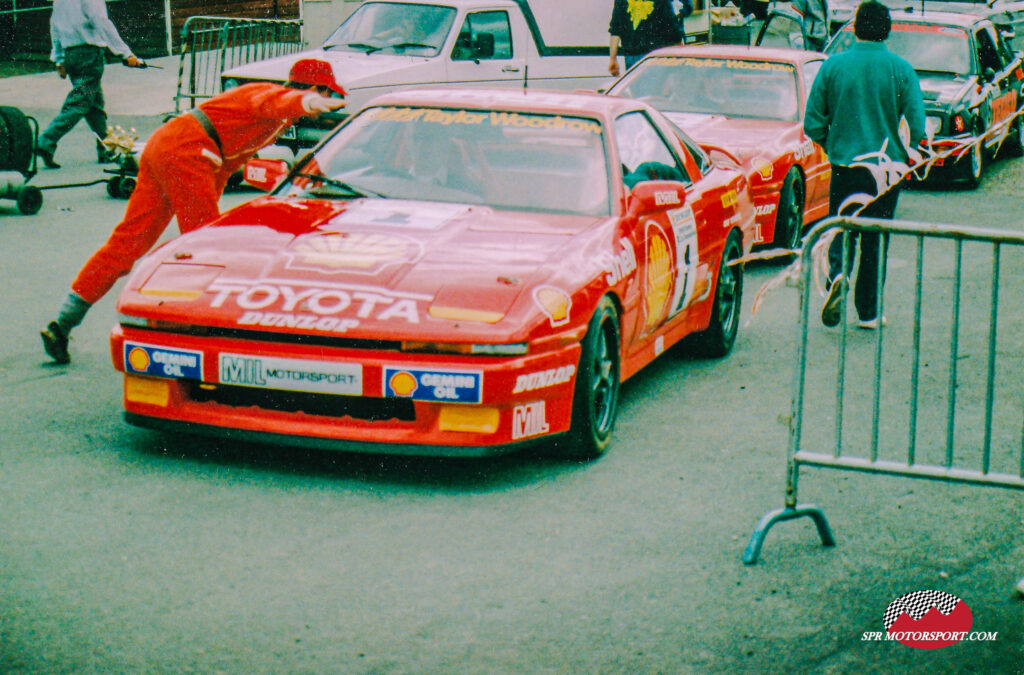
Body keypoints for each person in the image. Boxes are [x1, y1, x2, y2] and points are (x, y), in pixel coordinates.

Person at [40, 59, 346, 364]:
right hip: (189, 152)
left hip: (171, 146)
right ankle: (202, 339)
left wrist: (213, 202)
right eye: (327, 95)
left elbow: (228, 163)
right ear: (316, 88)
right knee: (206, 253)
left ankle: (62, 322)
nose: (329, 103)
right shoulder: (267, 96)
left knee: (129, 242)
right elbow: (277, 100)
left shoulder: (277, 119)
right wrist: (309, 101)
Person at [804, 0, 925, 330]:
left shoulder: (832, 66)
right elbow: (917, 128)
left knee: (842, 227)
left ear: (855, 27)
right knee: (876, 237)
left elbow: (812, 122)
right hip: (887, 171)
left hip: (846, 165)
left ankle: (838, 276)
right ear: (887, 30)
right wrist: (911, 153)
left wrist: (834, 145)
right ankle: (868, 312)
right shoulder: (901, 69)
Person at [37, 0, 147, 169]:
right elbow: (101, 22)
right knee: (80, 102)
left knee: (94, 104)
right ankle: (46, 141)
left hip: (71, 53)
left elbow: (55, 25)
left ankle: (106, 148)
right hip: (89, 53)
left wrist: (59, 58)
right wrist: (125, 53)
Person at [609, 0, 682, 77]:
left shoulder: (621, 1)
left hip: (631, 56)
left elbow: (615, 31)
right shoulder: (662, 2)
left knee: (637, 87)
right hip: (655, 56)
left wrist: (613, 59)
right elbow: (674, 32)